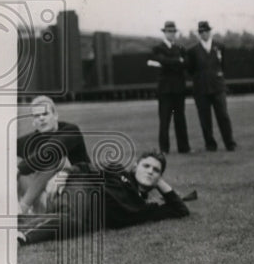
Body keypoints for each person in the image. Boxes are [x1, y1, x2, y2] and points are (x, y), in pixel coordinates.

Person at [18, 150, 191, 245]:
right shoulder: (117, 171)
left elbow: (180, 210)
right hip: (78, 190)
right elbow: (85, 167)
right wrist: (64, 173)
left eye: (156, 170)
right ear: (135, 166)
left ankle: (18, 224)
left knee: (78, 225)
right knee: (73, 219)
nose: (150, 171)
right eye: (146, 166)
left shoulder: (143, 208)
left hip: (79, 215)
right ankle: (22, 237)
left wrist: (159, 182)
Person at [16, 96, 92, 214]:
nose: (41, 118)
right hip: (49, 193)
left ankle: (22, 209)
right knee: (13, 160)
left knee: (55, 158)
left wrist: (18, 169)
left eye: (45, 114)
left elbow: (51, 150)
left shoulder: (71, 131)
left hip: (77, 190)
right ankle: (21, 208)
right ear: (33, 122)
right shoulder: (32, 139)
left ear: (55, 115)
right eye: (37, 116)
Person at [187, 20, 237, 152]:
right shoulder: (192, 50)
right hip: (201, 89)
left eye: (206, 31)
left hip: (217, 87)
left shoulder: (219, 46)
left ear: (210, 32)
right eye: (201, 32)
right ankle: (210, 144)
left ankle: (230, 143)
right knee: (205, 119)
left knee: (223, 116)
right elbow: (190, 70)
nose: (204, 34)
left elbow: (223, 65)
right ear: (199, 34)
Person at [148, 20, 191, 155]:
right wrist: (177, 61)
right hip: (165, 90)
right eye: (169, 31)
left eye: (173, 31)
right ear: (164, 32)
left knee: (180, 119)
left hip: (178, 89)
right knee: (165, 120)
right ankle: (164, 149)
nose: (171, 34)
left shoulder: (180, 48)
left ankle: (184, 148)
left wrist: (169, 62)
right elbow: (162, 60)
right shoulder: (157, 48)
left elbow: (186, 64)